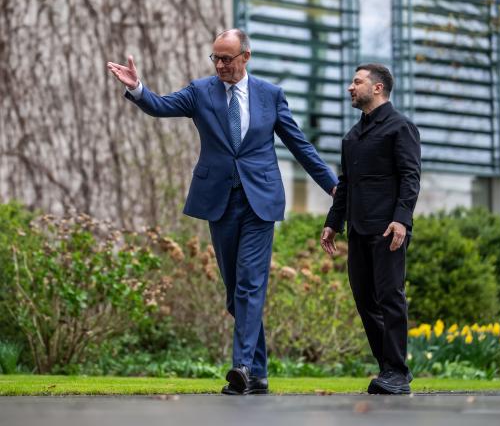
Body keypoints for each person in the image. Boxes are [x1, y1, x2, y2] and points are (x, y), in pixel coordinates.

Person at [107, 29, 337, 395]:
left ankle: (242, 367)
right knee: (235, 290)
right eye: (215, 58)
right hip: (219, 200)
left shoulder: (270, 95)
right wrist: (138, 89)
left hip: (260, 201)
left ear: (246, 57)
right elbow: (161, 105)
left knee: (250, 283)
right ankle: (259, 373)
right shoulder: (201, 91)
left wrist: (333, 185)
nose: (220, 65)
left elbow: (299, 144)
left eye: (227, 58)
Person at [320, 64, 421, 395]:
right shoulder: (352, 137)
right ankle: (387, 367)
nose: (351, 87)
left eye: (357, 82)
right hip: (358, 230)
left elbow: (410, 176)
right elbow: (345, 184)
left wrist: (402, 219)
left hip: (388, 230)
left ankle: (398, 371)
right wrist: (333, 223)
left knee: (390, 297)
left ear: (377, 88)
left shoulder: (400, 128)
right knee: (365, 299)